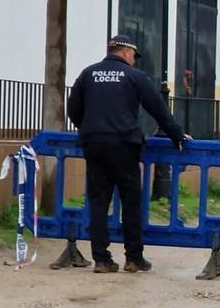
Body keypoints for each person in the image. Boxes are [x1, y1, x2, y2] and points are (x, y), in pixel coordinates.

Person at [67, 35, 191, 274]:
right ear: (125, 52)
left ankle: (101, 260)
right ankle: (134, 258)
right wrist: (178, 135)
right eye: (134, 55)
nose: (134, 60)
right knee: (131, 202)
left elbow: (73, 109)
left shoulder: (87, 74)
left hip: (94, 144)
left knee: (98, 202)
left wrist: (90, 128)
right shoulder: (135, 77)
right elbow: (158, 109)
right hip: (125, 145)